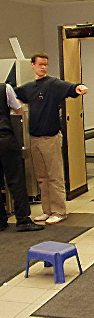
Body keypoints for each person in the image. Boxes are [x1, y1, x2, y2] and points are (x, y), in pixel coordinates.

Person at [15, 52, 88, 225]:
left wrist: (78, 88)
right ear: (32, 65)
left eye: (45, 64)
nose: (43, 67)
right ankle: (47, 210)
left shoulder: (52, 84)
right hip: (35, 137)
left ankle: (59, 211)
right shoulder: (29, 88)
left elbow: (70, 88)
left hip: (51, 137)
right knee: (41, 177)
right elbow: (13, 94)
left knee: (54, 176)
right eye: (40, 64)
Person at [0, 83, 44, 232]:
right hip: (4, 137)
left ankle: (1, 221)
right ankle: (23, 219)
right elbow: (18, 110)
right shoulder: (4, 88)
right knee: (16, 179)